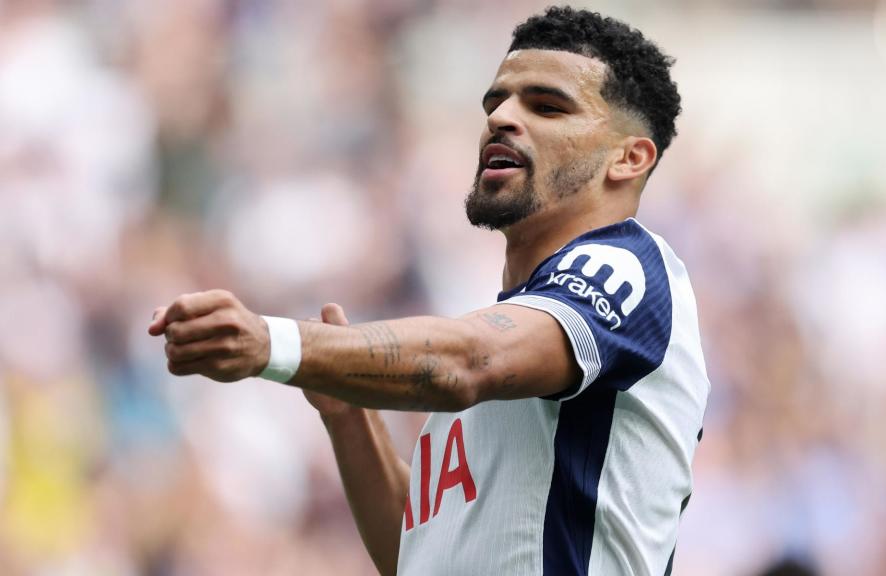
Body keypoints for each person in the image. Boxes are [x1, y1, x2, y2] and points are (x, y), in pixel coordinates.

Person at [148, 6, 709, 575]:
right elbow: (418, 555)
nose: (503, 118)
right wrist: (347, 413)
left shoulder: (626, 267)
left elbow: (467, 361)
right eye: (496, 102)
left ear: (628, 157)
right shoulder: (501, 345)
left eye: (547, 106)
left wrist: (278, 343)